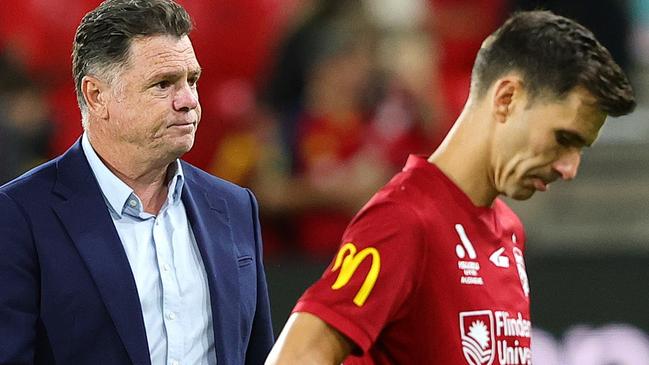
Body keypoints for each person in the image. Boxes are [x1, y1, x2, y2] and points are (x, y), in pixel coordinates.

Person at [266, 10, 636, 365]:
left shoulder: (509, 232)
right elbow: (297, 356)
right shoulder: (405, 220)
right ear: (506, 98)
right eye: (563, 138)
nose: (569, 167)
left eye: (580, 148)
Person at [0, 1, 273, 364]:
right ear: (97, 96)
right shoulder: (19, 215)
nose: (189, 100)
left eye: (192, 80)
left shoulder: (234, 206)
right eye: (164, 84)